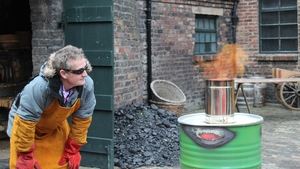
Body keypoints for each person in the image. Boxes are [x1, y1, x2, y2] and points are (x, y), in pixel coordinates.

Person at [6, 45, 96, 169]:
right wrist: (25, 154)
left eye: (85, 68)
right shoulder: (38, 88)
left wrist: (73, 149)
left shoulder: (86, 86)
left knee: (61, 164)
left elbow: (82, 120)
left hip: (54, 126)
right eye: (79, 71)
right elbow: (25, 123)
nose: (85, 74)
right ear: (63, 73)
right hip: (25, 129)